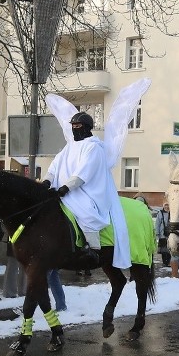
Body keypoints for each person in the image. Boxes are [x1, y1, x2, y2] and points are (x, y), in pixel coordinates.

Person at [43, 111, 130, 270]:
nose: (75, 128)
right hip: (62, 191)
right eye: (73, 126)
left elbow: (84, 172)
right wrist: (47, 181)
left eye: (78, 126)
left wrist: (66, 187)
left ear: (87, 127)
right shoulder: (69, 147)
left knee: (86, 214)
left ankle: (94, 249)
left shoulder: (94, 147)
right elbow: (55, 166)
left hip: (86, 192)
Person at [154, 202, 171, 268]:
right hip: (162, 234)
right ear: (163, 206)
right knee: (163, 249)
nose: (167, 207)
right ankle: (165, 262)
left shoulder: (172, 213)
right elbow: (157, 223)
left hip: (170, 234)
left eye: (168, 205)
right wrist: (157, 232)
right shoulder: (160, 213)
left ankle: (169, 261)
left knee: (170, 249)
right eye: (165, 205)